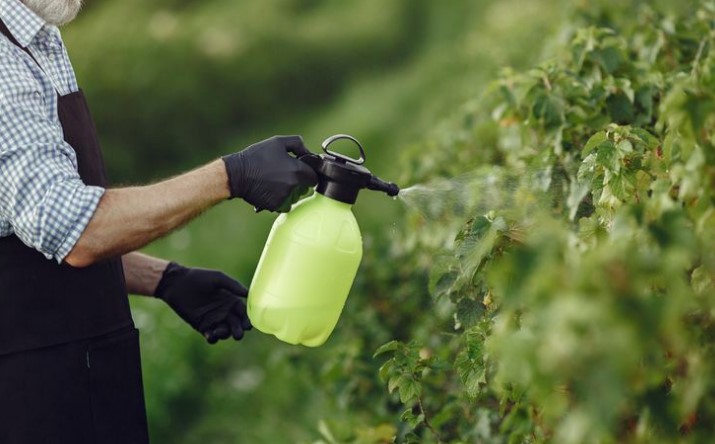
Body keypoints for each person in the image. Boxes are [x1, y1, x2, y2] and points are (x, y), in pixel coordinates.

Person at [0, 0, 319, 442]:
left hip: (83, 378)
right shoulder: (3, 63)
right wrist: (230, 176)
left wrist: (165, 279)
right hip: (30, 399)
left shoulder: (39, 40)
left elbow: (32, 232)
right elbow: (80, 230)